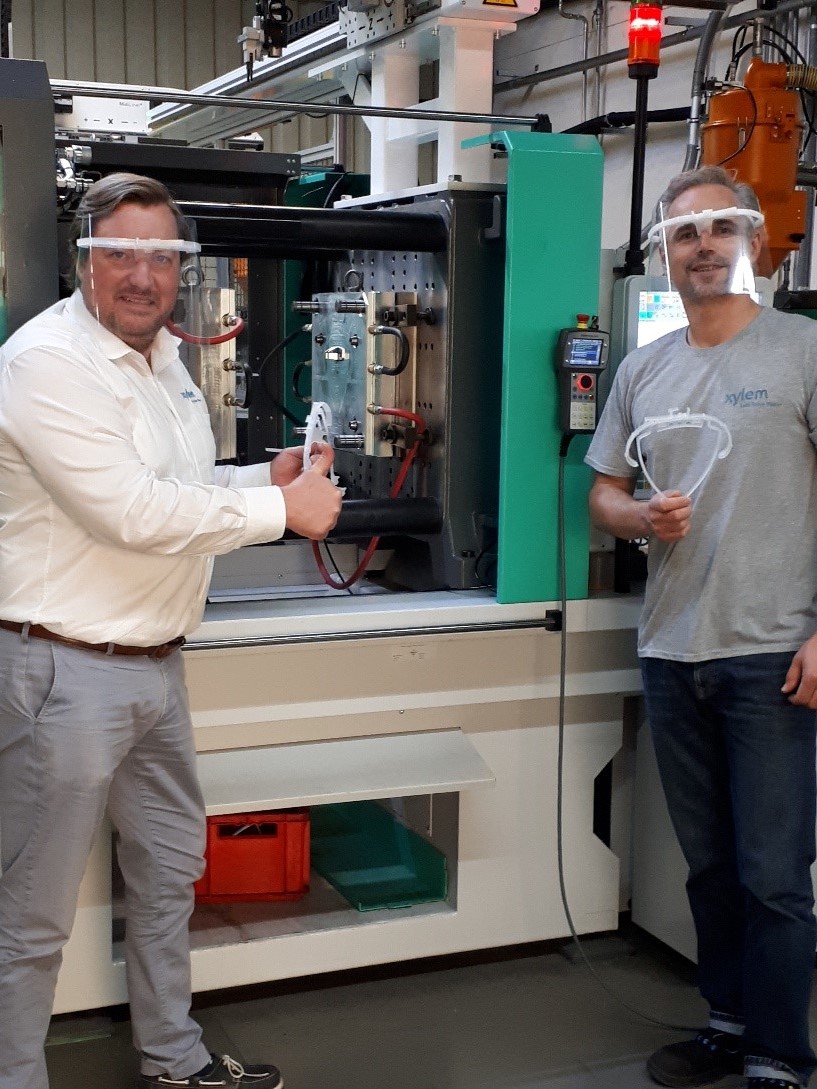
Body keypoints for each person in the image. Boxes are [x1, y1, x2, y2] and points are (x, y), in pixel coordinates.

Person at [0, 172, 343, 1089]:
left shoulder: (161, 360)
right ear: (84, 260)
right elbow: (131, 511)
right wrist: (283, 513)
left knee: (166, 873)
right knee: (30, 911)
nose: (142, 274)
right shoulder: (47, 363)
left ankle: (174, 1058)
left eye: (161, 255)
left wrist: (262, 479)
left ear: (182, 266)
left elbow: (181, 485)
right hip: (62, 672)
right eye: (120, 252)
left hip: (156, 666)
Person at [586, 164, 817, 1089]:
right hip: (672, 650)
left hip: (773, 652)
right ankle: (727, 1023)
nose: (703, 246)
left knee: (774, 874)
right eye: (684, 233)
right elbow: (602, 493)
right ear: (663, 255)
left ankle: (779, 1054)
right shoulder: (643, 369)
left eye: (720, 228)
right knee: (710, 866)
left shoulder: (802, 350)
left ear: (752, 240)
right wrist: (638, 515)